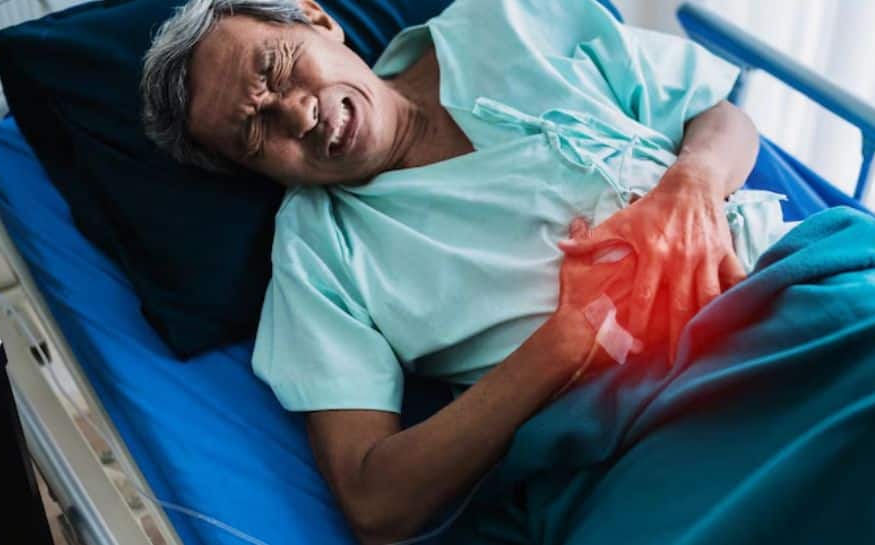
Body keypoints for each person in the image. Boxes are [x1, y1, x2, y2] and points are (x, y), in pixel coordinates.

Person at [141, 0, 793, 542]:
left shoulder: (509, 20)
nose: (298, 114)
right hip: (654, 428)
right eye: (255, 133)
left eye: (276, 67)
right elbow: (375, 502)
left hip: (787, 286)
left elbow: (718, 115)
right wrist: (568, 337)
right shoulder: (319, 255)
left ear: (316, 19)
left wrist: (693, 182)